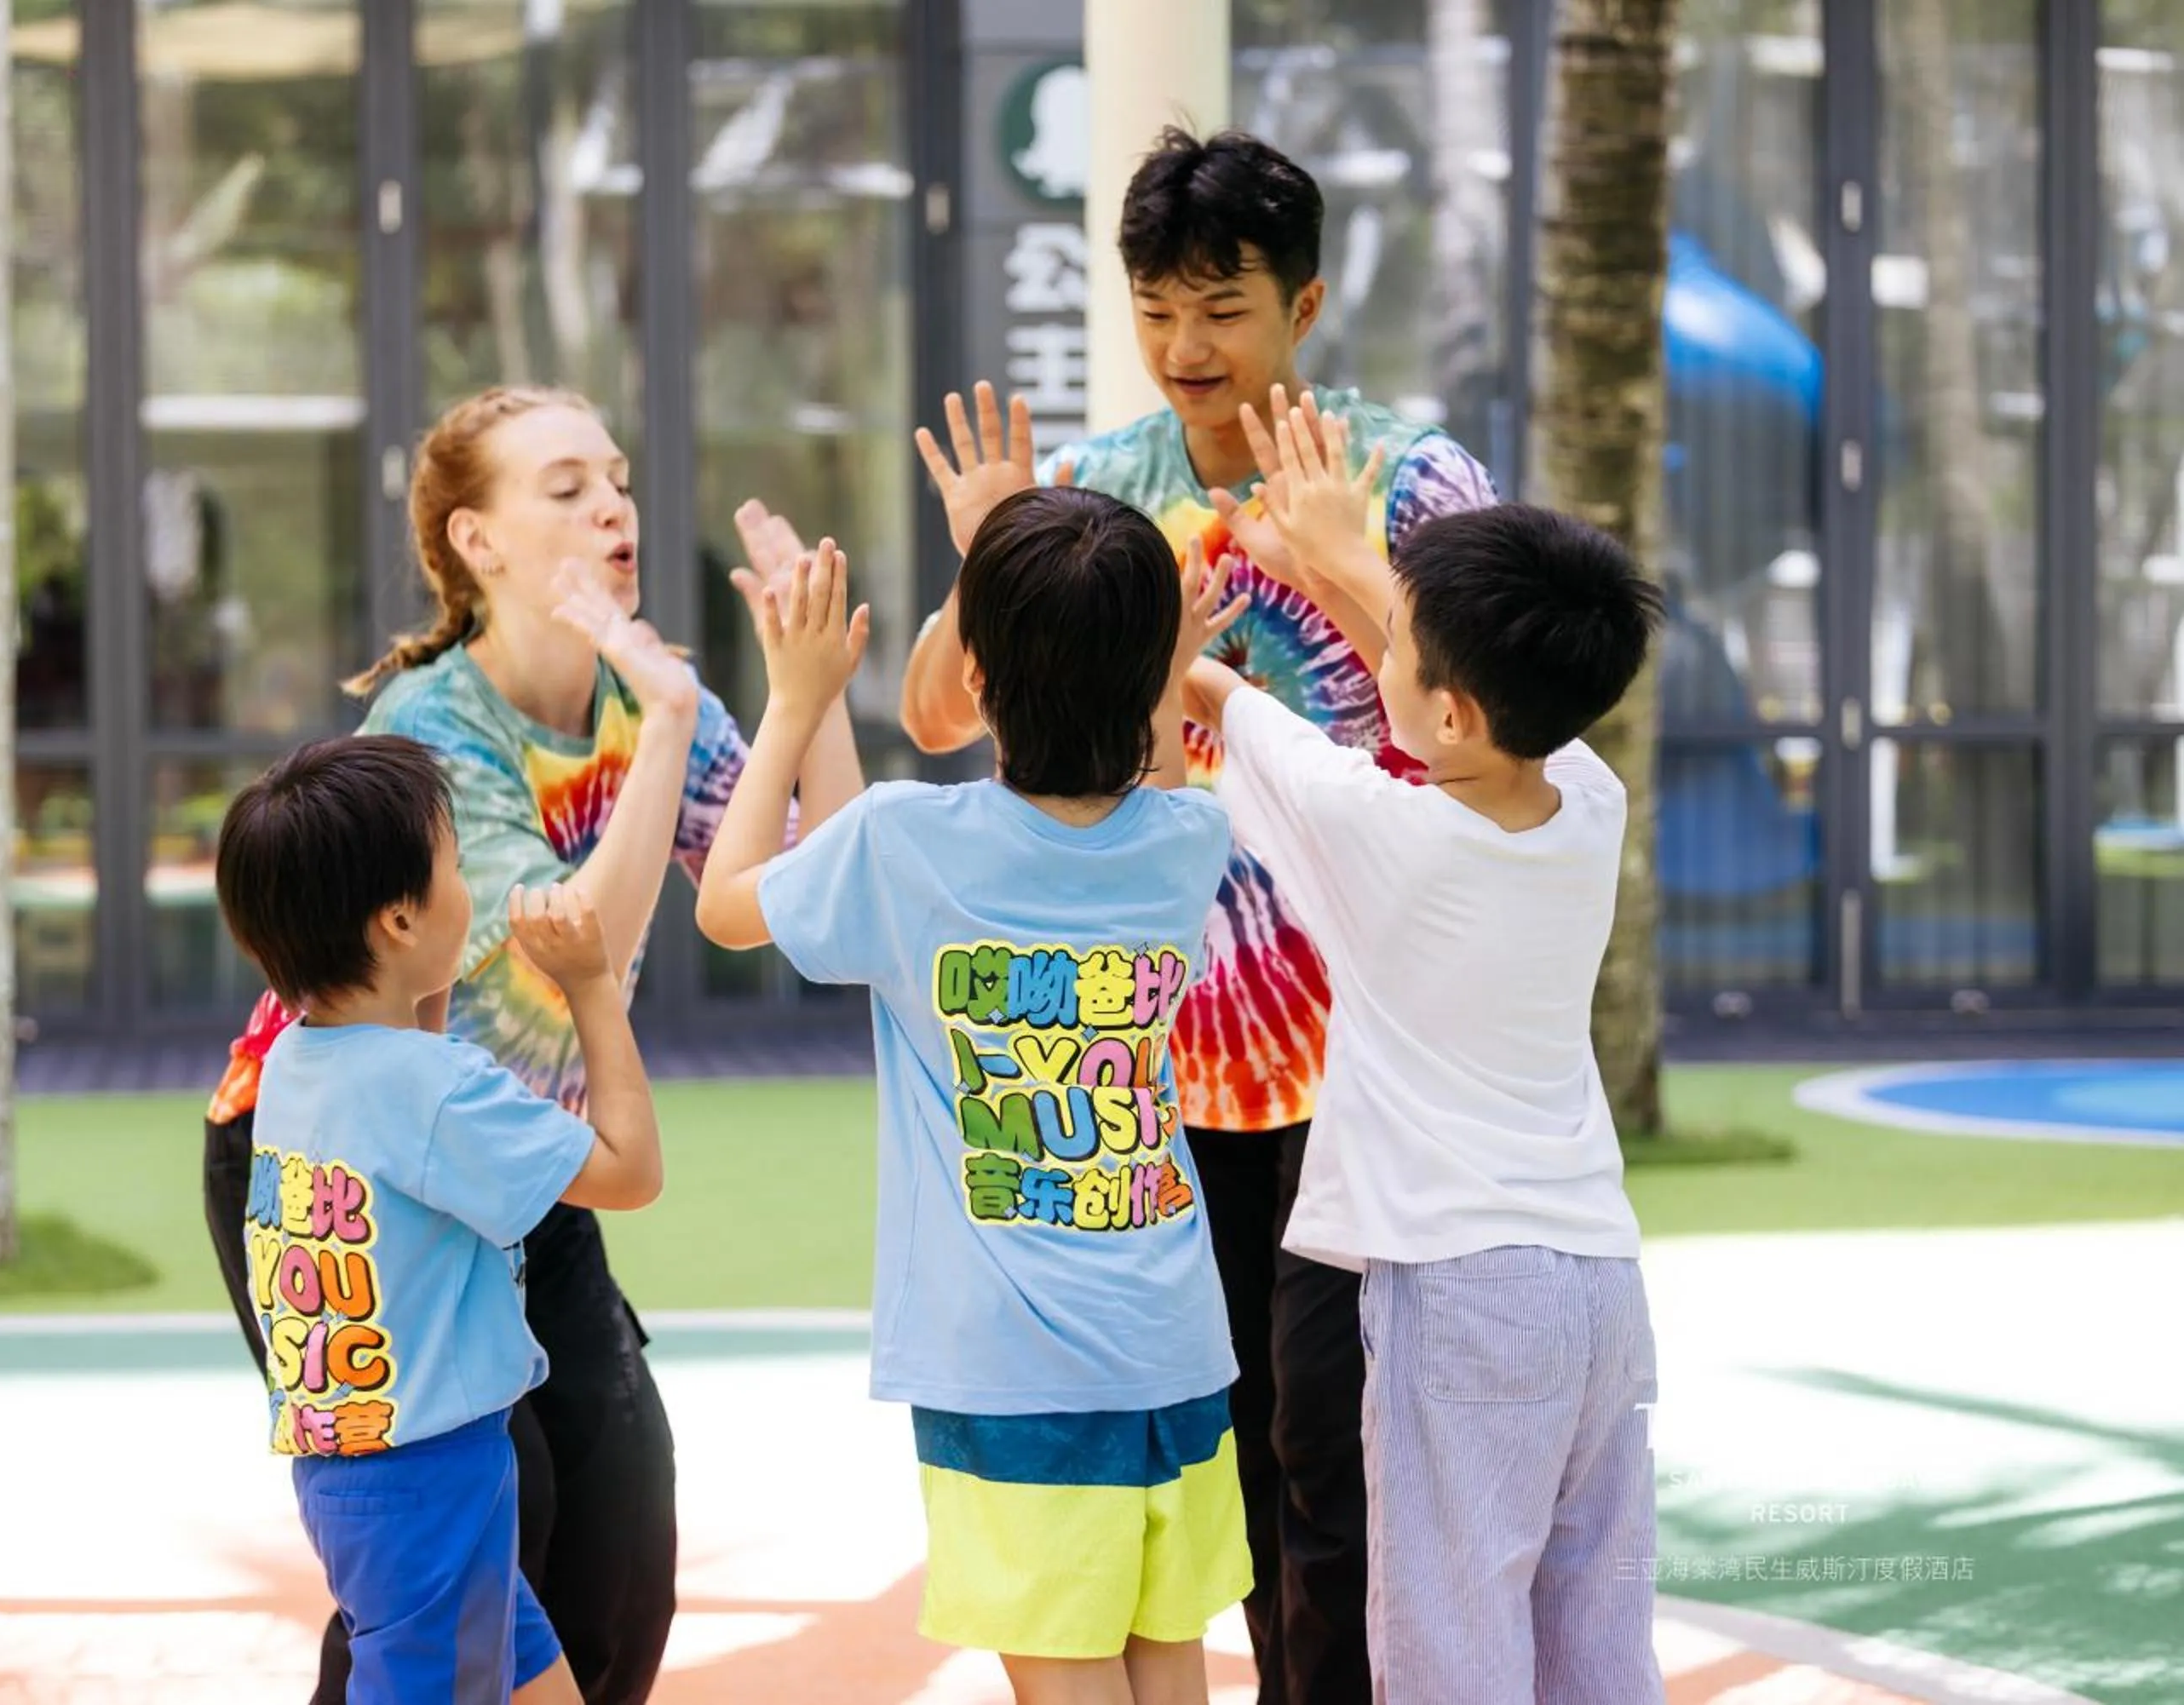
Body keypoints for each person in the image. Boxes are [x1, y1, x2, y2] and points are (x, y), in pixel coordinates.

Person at [899, 127, 1499, 1705]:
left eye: (1221, 310)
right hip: (1150, 1066)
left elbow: (1497, 725)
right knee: (1225, 1448)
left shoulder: (1414, 481)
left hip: (1370, 1051)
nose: (1186, 350)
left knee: (1343, 1452)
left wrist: (1352, 566)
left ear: (1303, 306)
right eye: (1157, 309)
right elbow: (942, 717)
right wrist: (989, 551)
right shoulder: (1105, 488)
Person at [201, 385, 863, 1704]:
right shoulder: (431, 735)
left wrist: (813, 690)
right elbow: (564, 973)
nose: (611, 504)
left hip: (514, 1151)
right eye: (563, 487)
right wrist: (673, 717)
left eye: (614, 477)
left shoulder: (646, 692)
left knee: (617, 1543)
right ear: (476, 541)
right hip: (347, 1153)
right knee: (446, 1552)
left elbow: (821, 891)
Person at [698, 496, 1250, 1705]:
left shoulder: (912, 845)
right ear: (1152, 670)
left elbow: (732, 899)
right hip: (1172, 1347)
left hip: (1014, 1376)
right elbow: (1126, 769)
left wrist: (794, 698)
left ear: (981, 677)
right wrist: (1161, 666)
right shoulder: (1187, 841)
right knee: (1170, 1672)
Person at [1185, 398, 1664, 1702]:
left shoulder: (1381, 832)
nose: (1372, 663)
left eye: (1397, 655)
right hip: (1599, 1288)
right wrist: (1341, 553)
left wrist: (1200, 633)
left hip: (1460, 1297)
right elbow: (1455, 684)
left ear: (1450, 713)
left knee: (1448, 1645)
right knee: (1594, 1635)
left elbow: (1222, 698)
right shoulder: (1586, 800)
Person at [212, 734, 667, 1704]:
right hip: (437, 1480)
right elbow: (631, 1172)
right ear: (399, 917)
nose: (468, 886)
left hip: (355, 1473)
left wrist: (437, 976)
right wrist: (591, 982)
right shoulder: (435, 1091)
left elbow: (404, 1082)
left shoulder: (297, 1060)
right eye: (455, 866)